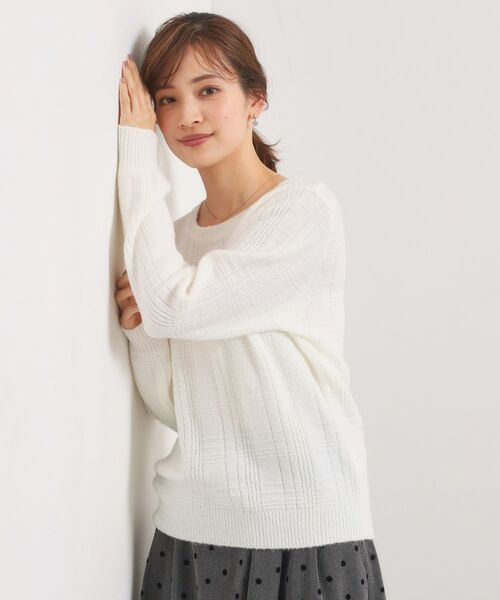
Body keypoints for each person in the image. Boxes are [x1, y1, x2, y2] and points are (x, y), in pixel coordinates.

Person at [114, 11, 387, 600]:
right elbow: (176, 406)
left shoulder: (302, 213)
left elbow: (175, 307)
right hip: (192, 527)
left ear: (255, 99)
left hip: (307, 531)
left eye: (208, 90)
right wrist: (141, 332)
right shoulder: (174, 243)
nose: (187, 115)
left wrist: (134, 152)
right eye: (166, 99)